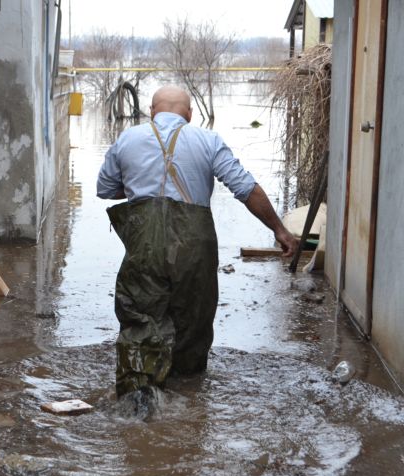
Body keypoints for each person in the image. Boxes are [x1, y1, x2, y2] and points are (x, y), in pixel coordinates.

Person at [97, 85, 299, 399]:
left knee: (140, 317)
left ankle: (139, 400)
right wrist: (279, 230)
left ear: (152, 111)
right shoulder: (209, 140)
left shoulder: (127, 139)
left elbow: (106, 188)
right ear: (189, 114)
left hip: (144, 247)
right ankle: (189, 404)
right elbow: (245, 188)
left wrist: (140, 188)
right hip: (194, 248)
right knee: (193, 323)